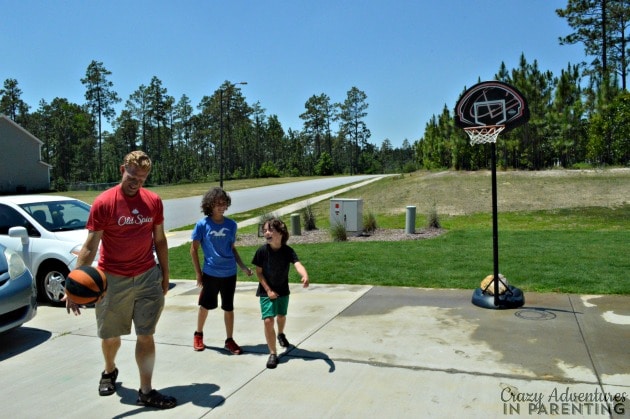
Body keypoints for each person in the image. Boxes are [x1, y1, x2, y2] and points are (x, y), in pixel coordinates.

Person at [66, 151, 176, 409]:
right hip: (112, 280)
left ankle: (146, 391)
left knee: (146, 335)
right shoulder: (104, 203)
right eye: (132, 175)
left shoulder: (153, 201)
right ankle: (109, 370)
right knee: (111, 337)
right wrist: (73, 285)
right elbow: (91, 245)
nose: (136, 181)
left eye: (142, 177)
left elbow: (159, 239)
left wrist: (165, 275)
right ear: (121, 169)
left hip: (148, 276)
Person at [190, 187, 252, 354]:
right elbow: (193, 249)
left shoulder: (231, 225)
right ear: (209, 205)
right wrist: (198, 273)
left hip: (229, 273)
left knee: (229, 308)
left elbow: (232, 248)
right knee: (205, 306)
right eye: (217, 203)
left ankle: (229, 340)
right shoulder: (202, 225)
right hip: (210, 273)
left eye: (223, 203)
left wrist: (243, 267)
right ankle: (198, 334)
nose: (221, 206)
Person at [251, 218, 309, 369]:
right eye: (264, 231)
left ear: (281, 233)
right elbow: (259, 273)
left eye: (270, 230)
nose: (267, 233)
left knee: (281, 316)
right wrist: (268, 290)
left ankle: (281, 334)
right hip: (266, 290)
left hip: (283, 290)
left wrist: (304, 275)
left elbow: (298, 264)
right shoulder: (262, 252)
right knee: (268, 320)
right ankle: (273, 353)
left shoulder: (288, 251)